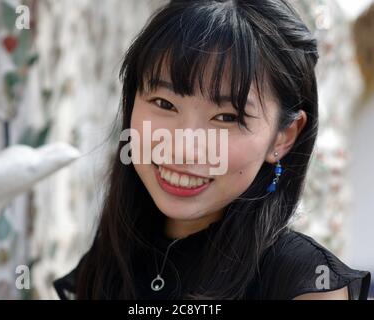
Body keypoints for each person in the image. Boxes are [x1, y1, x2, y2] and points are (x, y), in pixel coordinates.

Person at [53, 0, 371, 300]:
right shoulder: (111, 261)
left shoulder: (302, 285)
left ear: (283, 137)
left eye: (226, 117)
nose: (184, 149)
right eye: (164, 103)